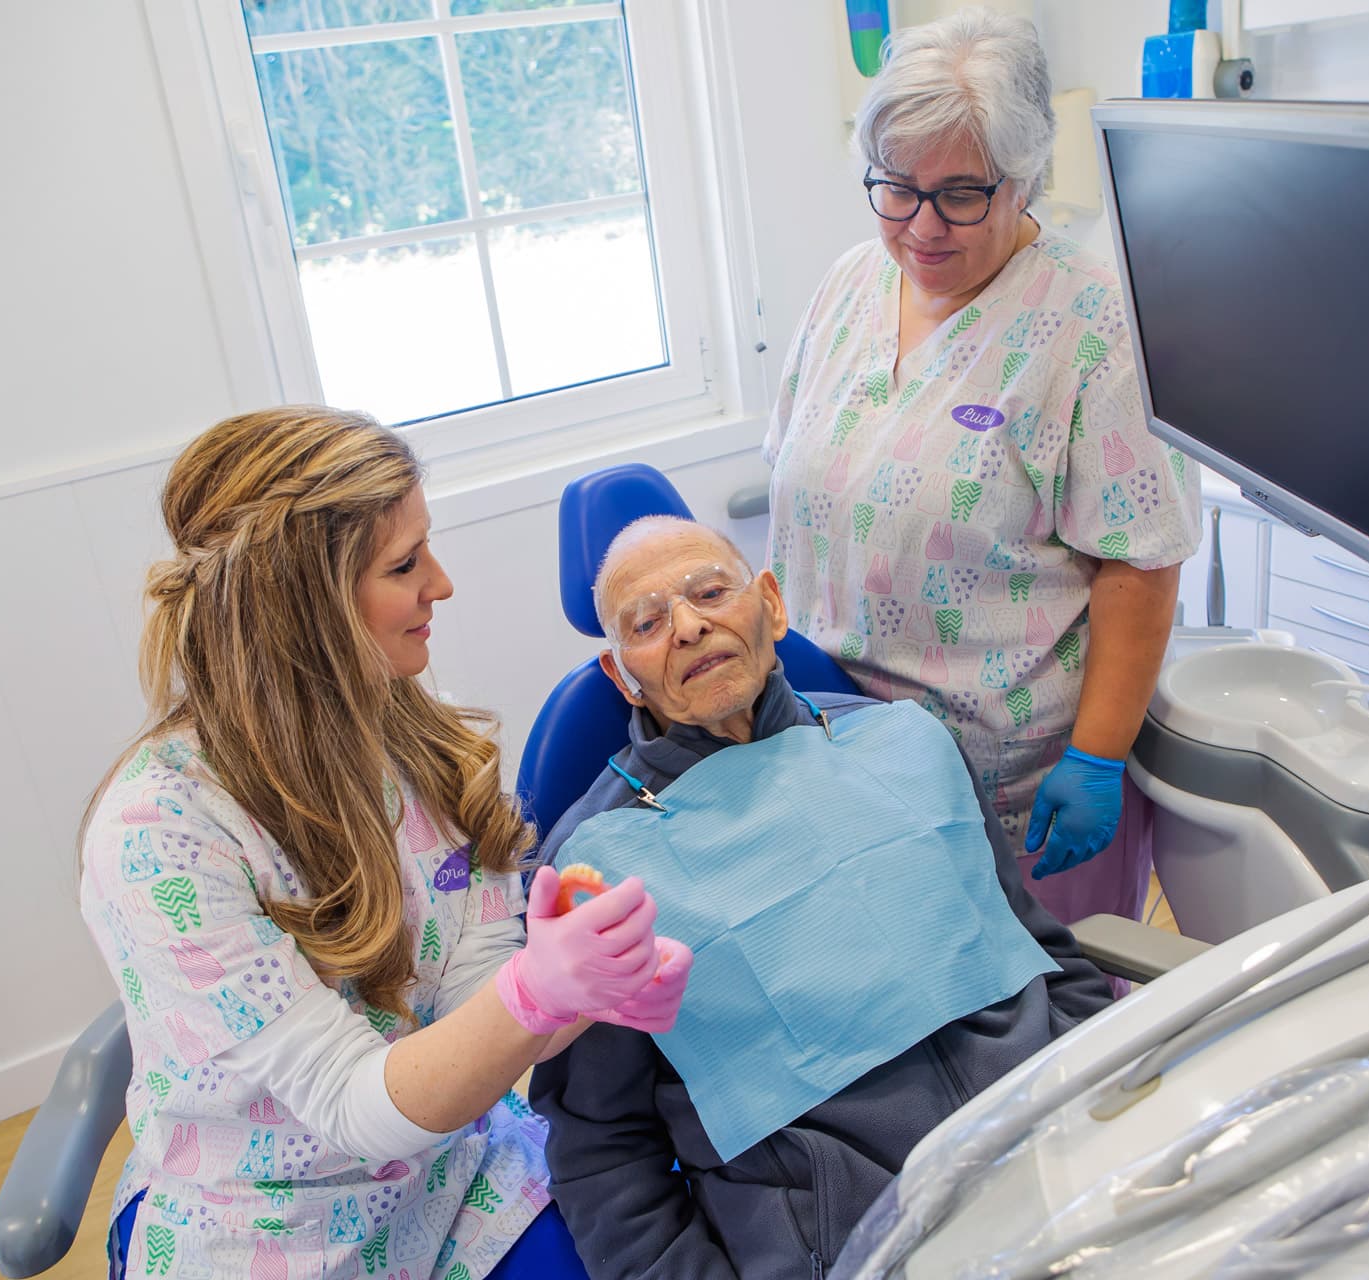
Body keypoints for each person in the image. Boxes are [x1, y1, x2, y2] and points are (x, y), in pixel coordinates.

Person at [77, 407, 690, 1280]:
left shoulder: (409, 739)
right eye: (404, 565)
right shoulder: (160, 835)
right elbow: (351, 1106)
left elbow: (483, 1006)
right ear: (302, 606)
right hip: (263, 1231)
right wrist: (535, 993)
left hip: (450, 1179)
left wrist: (588, 990)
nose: (440, 584)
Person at [528, 516, 1114, 1280]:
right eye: (647, 622)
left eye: (710, 591)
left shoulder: (905, 741)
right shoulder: (598, 869)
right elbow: (601, 1150)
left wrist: (1123, 1088)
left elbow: (1040, 949)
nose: (690, 626)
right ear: (621, 674)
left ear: (770, 604)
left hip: (1064, 1146)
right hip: (857, 1235)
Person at [763, 10, 1203, 926]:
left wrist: (1098, 758)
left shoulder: (1092, 328)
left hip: (1011, 790)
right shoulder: (849, 284)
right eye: (896, 188)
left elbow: (1141, 560)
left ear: (1027, 176)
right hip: (833, 755)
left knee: (1044, 1036)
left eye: (962, 193)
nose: (923, 225)